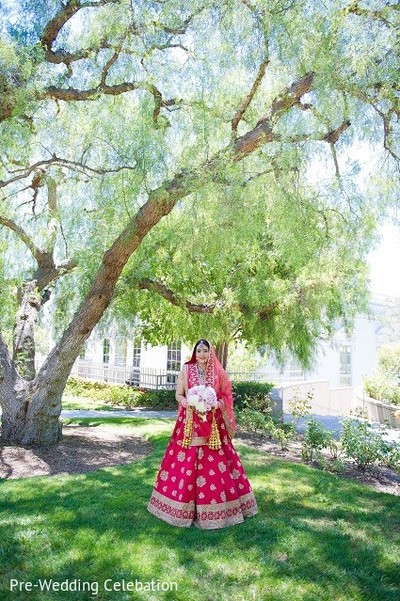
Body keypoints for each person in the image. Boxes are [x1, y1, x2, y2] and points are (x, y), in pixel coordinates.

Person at [147, 339, 258, 529]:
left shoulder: (218, 372)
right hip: (190, 422)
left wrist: (216, 404)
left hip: (213, 425)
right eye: (199, 350)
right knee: (185, 463)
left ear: (210, 352)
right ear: (194, 352)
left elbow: (225, 395)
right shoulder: (186, 369)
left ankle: (219, 510)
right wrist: (187, 403)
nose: (202, 354)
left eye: (205, 350)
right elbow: (178, 394)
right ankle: (180, 508)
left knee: (216, 463)